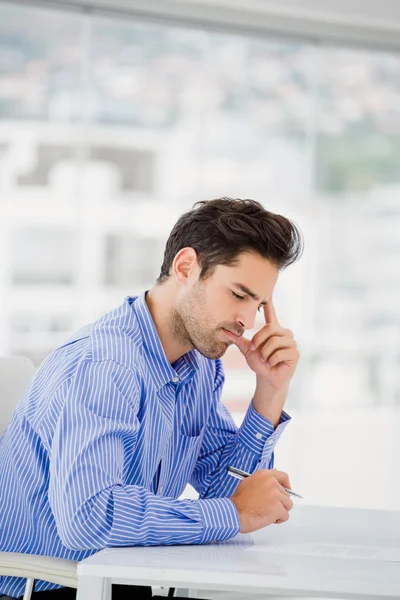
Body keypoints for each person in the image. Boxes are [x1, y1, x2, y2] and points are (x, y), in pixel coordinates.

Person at [0, 198, 303, 599]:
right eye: (238, 294)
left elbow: (223, 490)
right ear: (185, 267)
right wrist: (235, 513)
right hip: (51, 586)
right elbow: (87, 518)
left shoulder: (197, 366)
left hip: (124, 576)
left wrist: (270, 391)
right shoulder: (106, 366)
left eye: (259, 304)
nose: (247, 320)